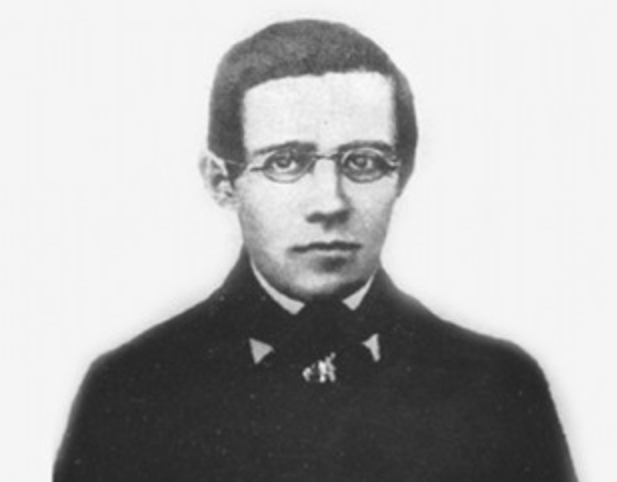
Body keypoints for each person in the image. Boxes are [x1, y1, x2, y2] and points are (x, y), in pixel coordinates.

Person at [54, 19, 577, 482]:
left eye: (364, 162)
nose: (330, 202)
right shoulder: (131, 392)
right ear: (221, 181)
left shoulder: (498, 387)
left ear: (402, 176)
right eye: (286, 162)